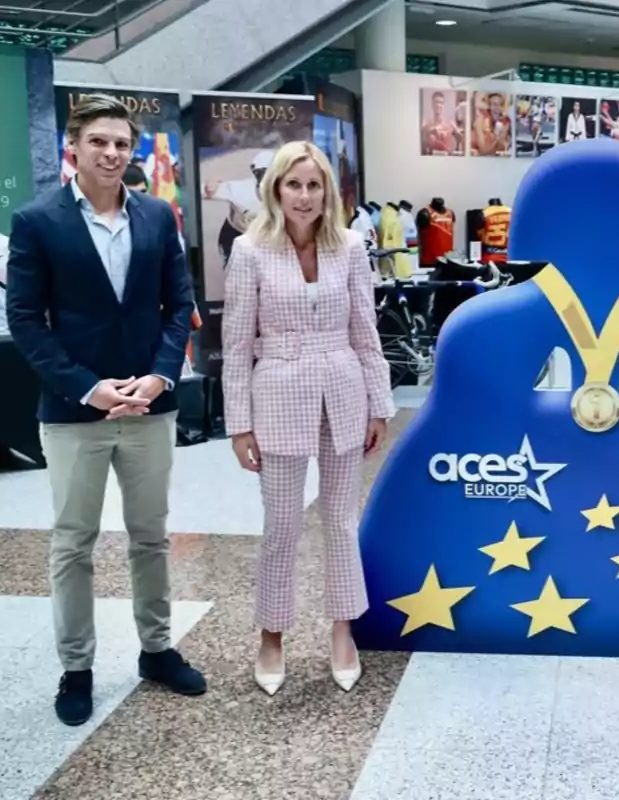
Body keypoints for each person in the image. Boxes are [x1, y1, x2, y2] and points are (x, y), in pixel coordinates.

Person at [5, 94, 202, 726]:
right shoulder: (38, 221)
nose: (112, 153)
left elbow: (180, 307)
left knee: (151, 536)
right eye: (99, 142)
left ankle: (156, 649)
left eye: (122, 143)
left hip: (149, 407)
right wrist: (88, 388)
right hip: (74, 411)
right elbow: (26, 321)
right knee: (74, 544)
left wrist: (160, 377)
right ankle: (77, 667)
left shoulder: (156, 216)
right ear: (74, 148)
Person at [221, 140, 394, 696]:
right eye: (293, 184)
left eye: (314, 185)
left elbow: (366, 333)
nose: (303, 195)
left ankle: (343, 629)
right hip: (277, 394)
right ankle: (272, 636)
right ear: (275, 188)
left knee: (342, 521)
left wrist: (379, 406)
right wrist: (239, 424)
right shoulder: (250, 250)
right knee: (282, 526)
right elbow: (235, 344)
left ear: (329, 192)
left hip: (343, 391)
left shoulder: (350, 246)